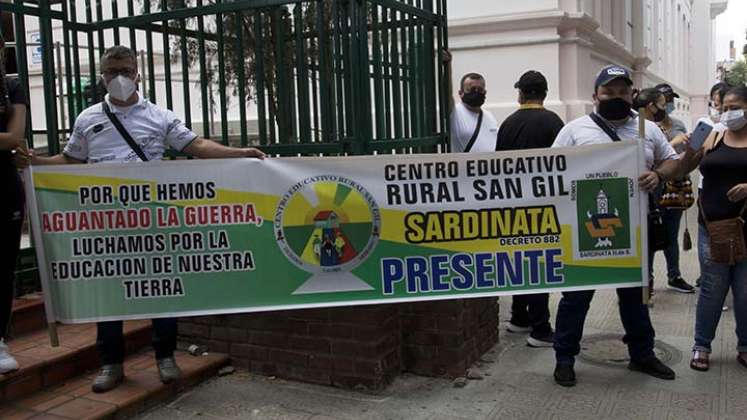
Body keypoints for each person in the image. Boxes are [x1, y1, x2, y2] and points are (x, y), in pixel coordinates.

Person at [28, 46, 266, 393]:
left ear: (138, 72)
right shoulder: (88, 118)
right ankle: (111, 364)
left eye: (125, 69)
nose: (119, 78)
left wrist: (241, 153)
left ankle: (165, 357)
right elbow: (70, 160)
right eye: (111, 72)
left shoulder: (158, 116)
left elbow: (196, 146)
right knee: (108, 295)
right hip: (104, 223)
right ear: (102, 76)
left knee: (160, 290)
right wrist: (35, 163)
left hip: (151, 220)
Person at [550, 65, 689, 387]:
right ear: (595, 95)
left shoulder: (648, 129)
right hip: (583, 232)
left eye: (623, 92)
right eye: (608, 92)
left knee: (635, 297)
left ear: (633, 94)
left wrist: (659, 175)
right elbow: (551, 169)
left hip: (633, 232)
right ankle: (564, 358)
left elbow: (672, 160)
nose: (616, 97)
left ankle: (642, 354)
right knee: (576, 298)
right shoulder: (574, 130)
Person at [496, 70, 564, 347]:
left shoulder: (507, 123)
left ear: (521, 94)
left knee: (519, 261)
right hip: (542, 206)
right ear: (544, 94)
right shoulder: (554, 122)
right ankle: (540, 328)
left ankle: (519, 317)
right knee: (538, 265)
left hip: (511, 204)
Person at [686, 86, 747, 372]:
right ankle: (701, 345)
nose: (727, 112)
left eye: (733, 106)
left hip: (744, 228)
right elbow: (683, 164)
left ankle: (745, 345)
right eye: (722, 107)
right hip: (712, 227)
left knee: (744, 290)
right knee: (712, 288)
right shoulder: (713, 134)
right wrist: (661, 170)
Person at [632, 88, 694, 294]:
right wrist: (672, 143)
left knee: (670, 234)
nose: (667, 105)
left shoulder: (677, 124)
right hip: (651, 191)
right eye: (664, 101)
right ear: (651, 104)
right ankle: (645, 280)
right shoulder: (639, 126)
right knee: (650, 235)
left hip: (674, 188)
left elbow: (678, 161)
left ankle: (674, 275)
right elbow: (645, 157)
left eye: (669, 101)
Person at [0, 35, 29, 374]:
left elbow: (14, 137)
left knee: (3, 269)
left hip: (4, 187)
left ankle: (0, 340)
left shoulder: (13, 86)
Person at [449, 72, 499, 153]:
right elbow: (447, 92)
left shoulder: (489, 116)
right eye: (472, 89)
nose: (476, 92)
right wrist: (447, 65)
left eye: (480, 90)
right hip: (464, 165)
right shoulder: (454, 113)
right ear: (461, 93)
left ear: (485, 92)